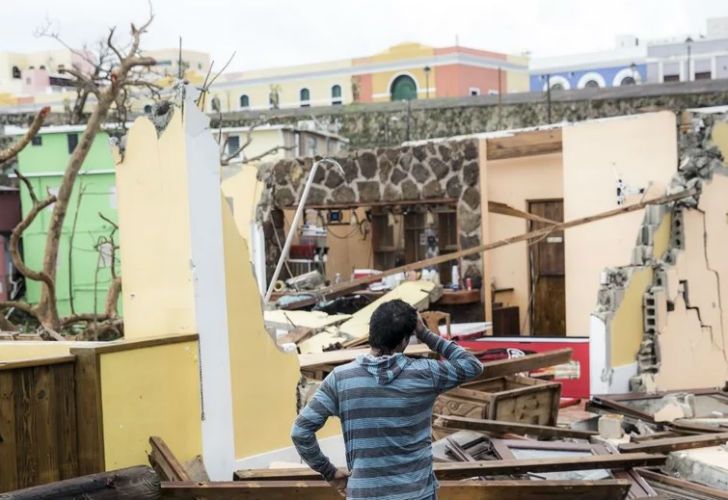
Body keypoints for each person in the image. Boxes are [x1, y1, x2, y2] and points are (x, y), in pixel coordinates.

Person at [291, 299, 483, 499]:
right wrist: (425, 334)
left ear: (371, 333)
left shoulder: (340, 380)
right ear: (404, 341)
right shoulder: (426, 373)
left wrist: (330, 473)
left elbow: (300, 432)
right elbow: (472, 365)